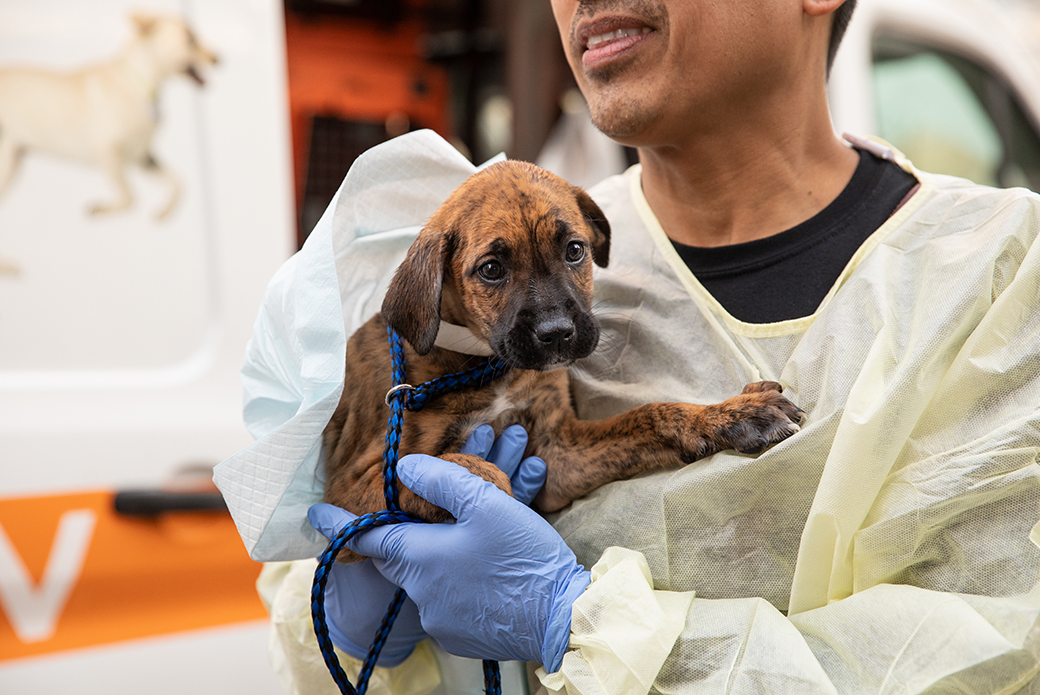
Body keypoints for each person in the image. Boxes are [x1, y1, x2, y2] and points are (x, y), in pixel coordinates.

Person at [241, 0, 1040, 693]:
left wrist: (570, 617)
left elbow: (986, 659)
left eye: (572, 258)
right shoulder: (509, 239)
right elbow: (309, 643)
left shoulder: (999, 273)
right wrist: (350, 615)